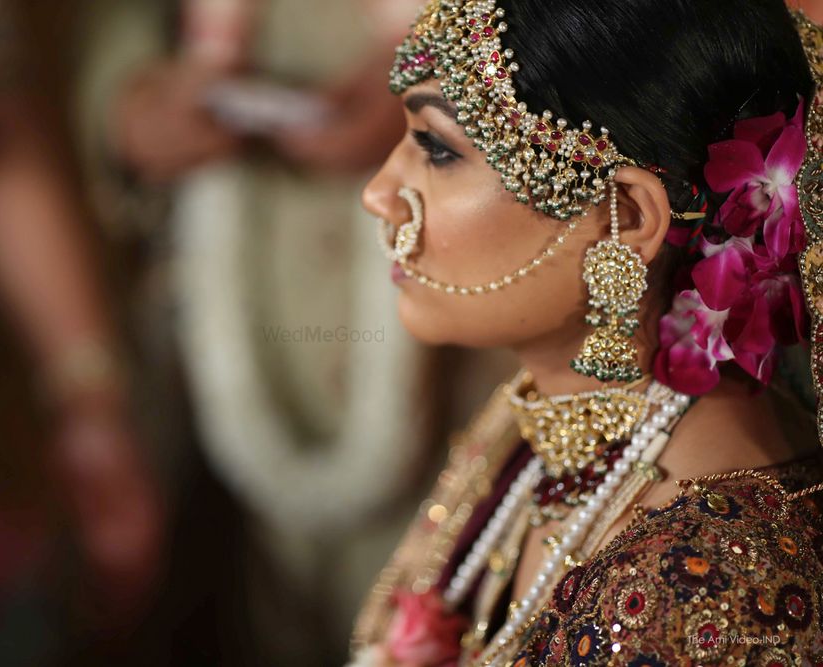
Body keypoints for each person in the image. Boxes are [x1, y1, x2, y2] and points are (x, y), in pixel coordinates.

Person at [349, 1, 823, 665]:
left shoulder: (699, 582)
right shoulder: (541, 418)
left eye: (437, 148)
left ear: (624, 218)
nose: (380, 192)